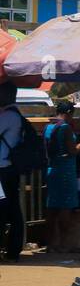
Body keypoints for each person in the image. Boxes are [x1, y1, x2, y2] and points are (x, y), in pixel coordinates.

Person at [43, 100, 80, 253]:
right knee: (65, 208)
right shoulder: (65, 128)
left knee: (52, 208)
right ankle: (63, 244)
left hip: (51, 169)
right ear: (69, 113)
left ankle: (50, 244)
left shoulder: (48, 127)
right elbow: (71, 151)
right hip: (65, 171)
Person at [0, 82, 26, 259]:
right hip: (9, 168)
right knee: (12, 209)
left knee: (3, 211)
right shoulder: (14, 114)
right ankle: (13, 249)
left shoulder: (8, 116)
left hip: (3, 168)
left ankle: (11, 249)